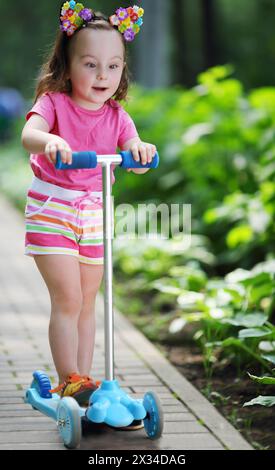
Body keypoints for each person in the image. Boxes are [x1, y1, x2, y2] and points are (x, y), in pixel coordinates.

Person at [21, 2, 157, 420]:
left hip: (95, 211)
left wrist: (140, 149)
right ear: (67, 63)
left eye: (113, 66)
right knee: (68, 296)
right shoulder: (54, 103)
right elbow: (30, 134)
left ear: (122, 71)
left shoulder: (118, 116)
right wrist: (52, 143)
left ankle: (84, 378)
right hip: (53, 207)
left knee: (88, 301)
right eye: (92, 64)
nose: (103, 76)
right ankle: (69, 380)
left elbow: (134, 147)